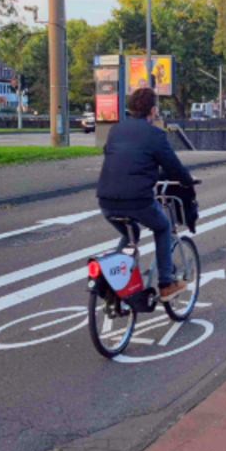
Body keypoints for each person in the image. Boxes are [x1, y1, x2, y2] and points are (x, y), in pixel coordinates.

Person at [96, 87, 193, 301]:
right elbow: (173, 166)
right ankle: (166, 283)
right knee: (163, 227)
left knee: (130, 235)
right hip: (137, 200)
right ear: (153, 110)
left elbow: (115, 157)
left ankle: (114, 280)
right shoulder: (155, 134)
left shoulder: (116, 130)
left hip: (105, 200)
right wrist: (187, 181)